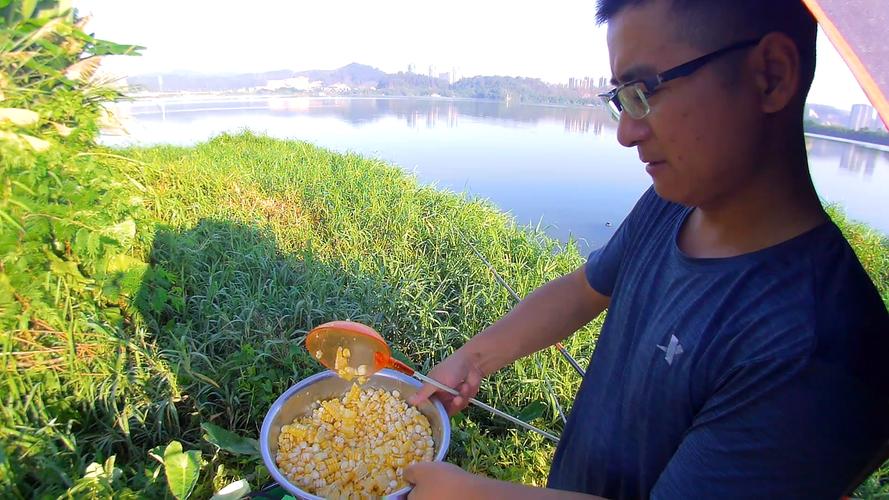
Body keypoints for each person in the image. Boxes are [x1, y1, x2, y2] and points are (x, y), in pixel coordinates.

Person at [403, 0, 889, 498]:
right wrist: (474, 358)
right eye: (620, 98)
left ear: (770, 74)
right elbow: (586, 288)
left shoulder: (816, 352)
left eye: (644, 92)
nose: (626, 132)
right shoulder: (676, 201)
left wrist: (471, 495)